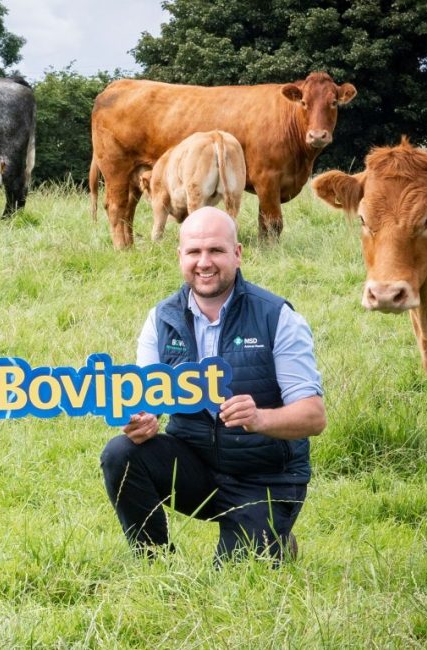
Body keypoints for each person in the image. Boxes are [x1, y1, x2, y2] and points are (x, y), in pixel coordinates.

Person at [100, 207, 326, 562]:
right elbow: (147, 401)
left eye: (216, 251)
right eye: (194, 252)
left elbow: (314, 416)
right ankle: (155, 563)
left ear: (237, 253)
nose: (204, 262)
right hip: (197, 467)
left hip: (264, 478)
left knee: (236, 580)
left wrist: (259, 419)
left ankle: (275, 539)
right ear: (180, 257)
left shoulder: (277, 317)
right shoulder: (161, 319)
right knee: (120, 453)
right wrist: (143, 421)